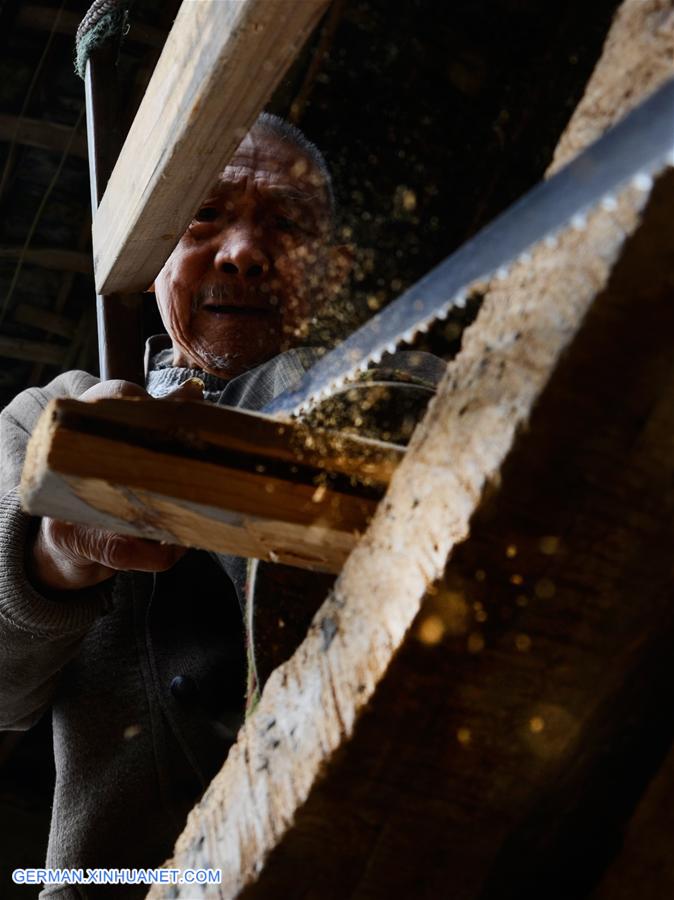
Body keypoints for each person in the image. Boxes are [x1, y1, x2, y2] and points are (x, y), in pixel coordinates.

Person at [0, 114, 444, 897]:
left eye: (286, 225)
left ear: (334, 272)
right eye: (205, 216)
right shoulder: (48, 419)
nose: (242, 252)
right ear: (150, 254)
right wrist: (51, 559)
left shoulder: (406, 378)